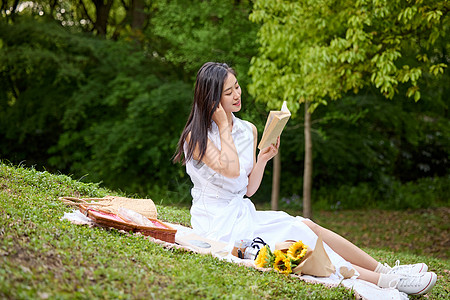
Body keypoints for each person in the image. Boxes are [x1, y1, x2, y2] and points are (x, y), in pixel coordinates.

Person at [173, 62, 437, 295]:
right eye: (228, 92)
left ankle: (386, 268)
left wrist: (263, 158)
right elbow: (230, 170)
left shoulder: (248, 130)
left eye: (237, 87)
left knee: (307, 224)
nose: (237, 95)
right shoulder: (195, 138)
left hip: (243, 212)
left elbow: (247, 189)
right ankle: (387, 281)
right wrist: (221, 124)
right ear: (211, 100)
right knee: (298, 237)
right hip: (218, 224)